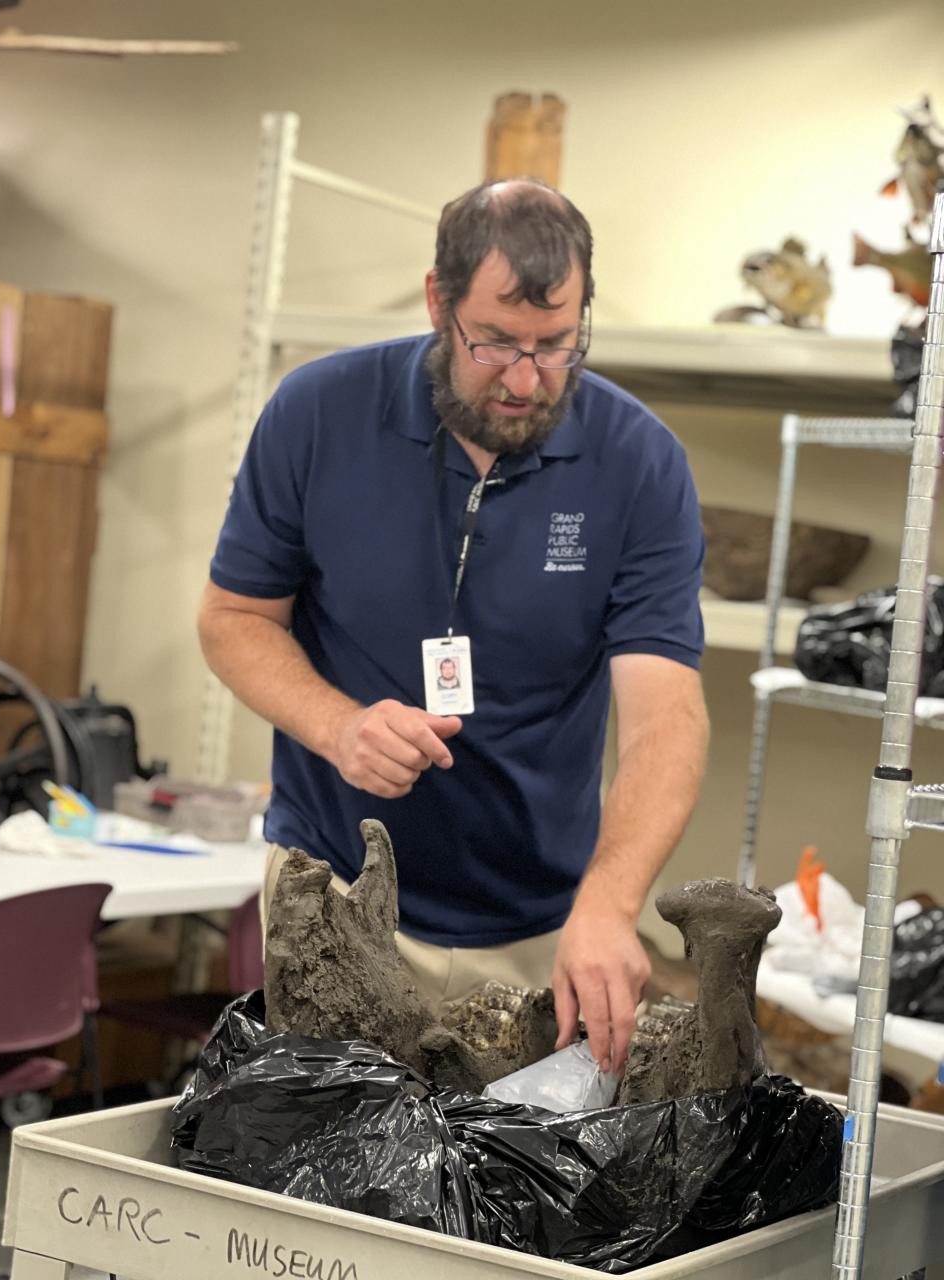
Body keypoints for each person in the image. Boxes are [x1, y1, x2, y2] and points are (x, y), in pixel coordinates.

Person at [198, 178, 709, 1074]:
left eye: (557, 347)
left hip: (538, 928)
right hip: (337, 900)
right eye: (496, 343)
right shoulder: (316, 413)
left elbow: (667, 716)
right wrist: (339, 726)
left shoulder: (641, 463)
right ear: (439, 302)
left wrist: (611, 904)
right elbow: (234, 619)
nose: (524, 379)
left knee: (502, 1204)